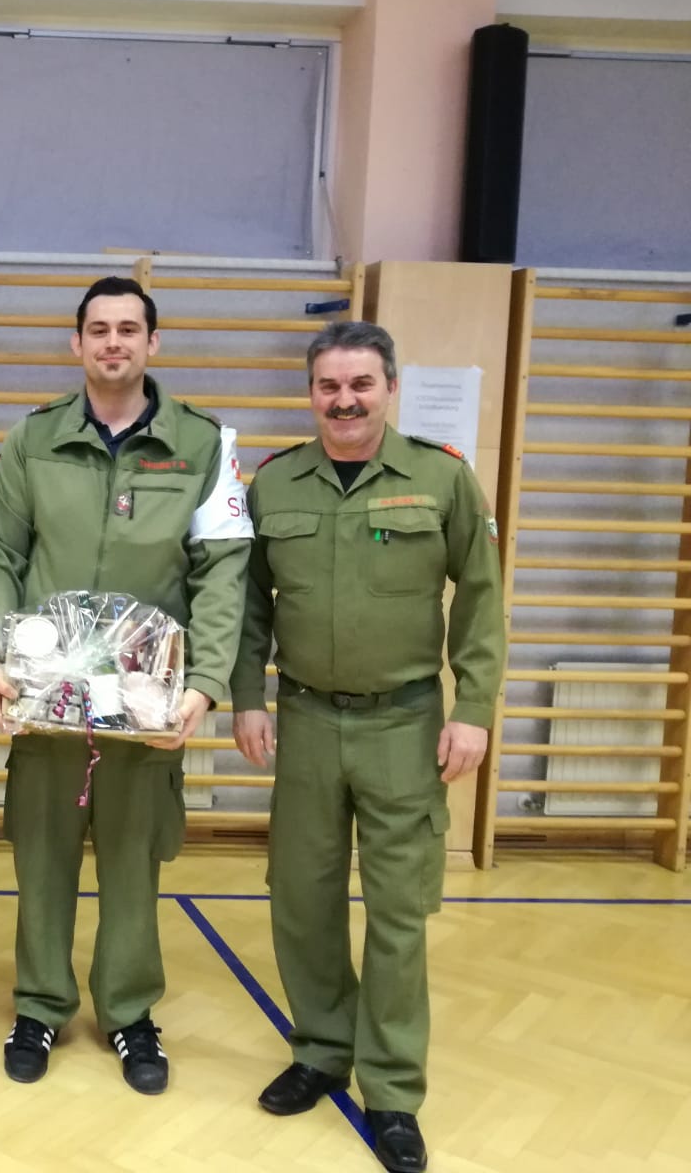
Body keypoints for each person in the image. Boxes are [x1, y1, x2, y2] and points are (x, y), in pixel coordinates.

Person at [229, 320, 505, 1173]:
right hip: (306, 720)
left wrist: (475, 707)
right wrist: (247, 698)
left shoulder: (441, 478)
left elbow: (481, 597)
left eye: (360, 384)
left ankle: (391, 1090)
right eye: (329, 386)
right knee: (301, 897)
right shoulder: (276, 484)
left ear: (389, 388)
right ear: (310, 393)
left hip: (405, 725)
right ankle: (320, 1050)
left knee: (397, 912)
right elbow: (249, 606)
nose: (344, 400)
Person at [0, 276, 252, 1093]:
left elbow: (222, 570)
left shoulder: (202, 444)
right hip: (48, 697)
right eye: (98, 329)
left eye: (129, 329)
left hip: (147, 699)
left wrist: (206, 682)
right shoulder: (32, 441)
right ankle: (40, 1004)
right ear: (77, 343)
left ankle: (130, 1013)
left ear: (152, 343)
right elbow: (0, 554)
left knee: (134, 860)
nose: (113, 343)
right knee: (43, 856)